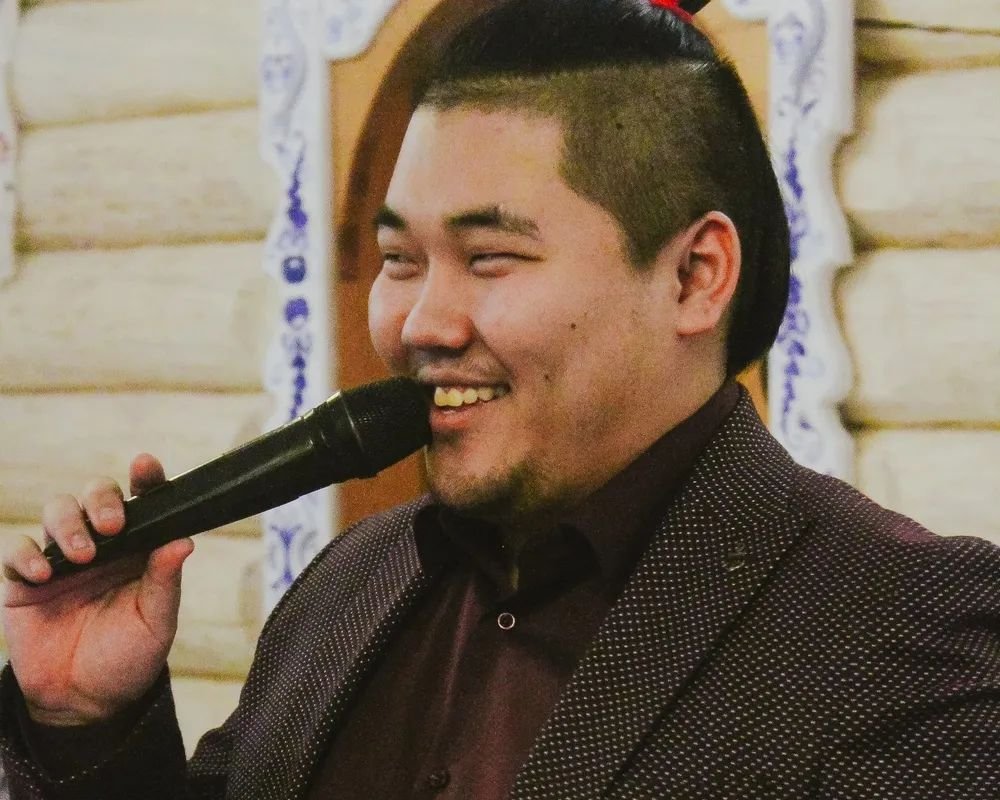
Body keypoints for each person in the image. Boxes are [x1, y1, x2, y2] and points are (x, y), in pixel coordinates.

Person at [2, 0, 999, 797]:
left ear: (696, 275)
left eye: (490, 257)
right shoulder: (349, 584)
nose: (420, 323)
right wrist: (86, 720)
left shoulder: (907, 623)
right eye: (399, 259)